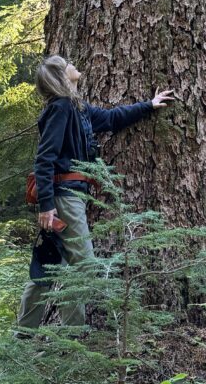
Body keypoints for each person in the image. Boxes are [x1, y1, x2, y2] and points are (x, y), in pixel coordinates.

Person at [16, 54, 175, 333]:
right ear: (60, 76)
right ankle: (71, 341)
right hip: (63, 198)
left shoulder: (77, 108)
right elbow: (44, 159)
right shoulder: (61, 107)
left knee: (50, 265)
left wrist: (148, 105)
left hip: (67, 197)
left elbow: (112, 118)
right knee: (84, 268)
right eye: (67, 64)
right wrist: (46, 206)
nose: (73, 64)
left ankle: (24, 335)